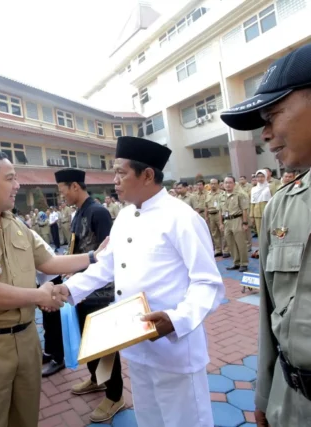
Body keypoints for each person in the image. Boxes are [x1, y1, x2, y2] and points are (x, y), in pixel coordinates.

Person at [220, 39, 311, 427]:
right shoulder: (282, 206)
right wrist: (265, 394)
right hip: (290, 407)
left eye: (272, 115)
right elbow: (270, 318)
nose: (264, 134)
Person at [57, 136, 224, 427]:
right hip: (136, 343)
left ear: (147, 175)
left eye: (121, 173)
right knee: (150, 420)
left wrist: (176, 319)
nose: (114, 180)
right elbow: (107, 265)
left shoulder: (181, 218)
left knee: (185, 422)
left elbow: (208, 283)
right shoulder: (123, 217)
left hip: (174, 348)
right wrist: (68, 289)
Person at [0, 151, 109, 427]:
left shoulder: (16, 225)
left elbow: (49, 261)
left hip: (27, 341)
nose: (18, 185)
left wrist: (92, 257)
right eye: (10, 178)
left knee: (26, 420)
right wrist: (40, 295)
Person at [55, 168, 124, 422]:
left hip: (99, 292)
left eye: (63, 190)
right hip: (82, 288)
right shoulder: (79, 213)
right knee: (89, 341)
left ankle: (115, 395)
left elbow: (106, 254)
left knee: (105, 344)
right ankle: (96, 378)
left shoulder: (98, 212)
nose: (61, 196)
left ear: (75, 186)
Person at [220, 176, 250, 272]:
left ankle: (244, 263)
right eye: (226, 183)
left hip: (237, 219)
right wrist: (221, 223)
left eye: (230, 182)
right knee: (231, 243)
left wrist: (245, 223)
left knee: (241, 243)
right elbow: (220, 211)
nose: (227, 185)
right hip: (227, 221)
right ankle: (236, 262)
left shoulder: (240, 195)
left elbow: (244, 209)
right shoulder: (222, 196)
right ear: (223, 184)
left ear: (234, 184)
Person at [249, 169, 271, 238]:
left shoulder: (270, 187)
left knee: (270, 230)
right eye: (258, 177)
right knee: (260, 232)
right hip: (257, 213)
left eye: (262, 176)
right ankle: (262, 247)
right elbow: (252, 203)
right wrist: (252, 216)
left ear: (266, 177)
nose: (260, 178)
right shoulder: (254, 189)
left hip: (268, 211)